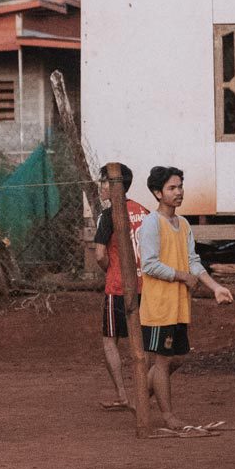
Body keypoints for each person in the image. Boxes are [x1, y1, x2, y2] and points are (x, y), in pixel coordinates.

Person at [139, 165, 233, 436]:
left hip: (179, 305)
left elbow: (193, 261)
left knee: (177, 357)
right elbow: (150, 265)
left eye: (180, 186)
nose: (179, 192)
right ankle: (168, 416)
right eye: (172, 188)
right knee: (163, 361)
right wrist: (182, 276)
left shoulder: (184, 224)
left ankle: (139, 398)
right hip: (158, 306)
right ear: (158, 193)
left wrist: (215, 287)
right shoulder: (151, 224)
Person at [92, 163, 150, 412]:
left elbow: (99, 254)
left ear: (116, 186)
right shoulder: (144, 211)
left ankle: (123, 395)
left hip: (118, 286)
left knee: (110, 340)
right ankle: (143, 394)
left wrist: (111, 270)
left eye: (105, 182)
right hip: (145, 286)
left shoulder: (108, 215)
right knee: (144, 343)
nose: (102, 187)